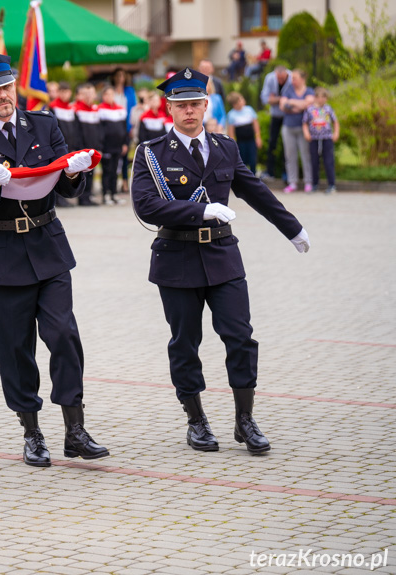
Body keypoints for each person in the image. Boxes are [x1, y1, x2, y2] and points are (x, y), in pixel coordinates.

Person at [131, 67, 311, 455]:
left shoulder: (225, 147)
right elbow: (145, 205)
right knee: (185, 342)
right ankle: (196, 420)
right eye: (181, 105)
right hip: (177, 257)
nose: (189, 111)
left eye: (195, 103)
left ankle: (245, 419)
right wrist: (200, 212)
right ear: (169, 108)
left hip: (222, 255)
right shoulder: (152, 153)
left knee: (241, 337)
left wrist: (292, 228)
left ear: (207, 104)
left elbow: (256, 191)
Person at [0, 53, 109, 467]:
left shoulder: (43, 124)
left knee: (63, 334)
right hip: (2, 254)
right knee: (15, 348)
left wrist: (75, 172)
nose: (4, 96)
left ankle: (74, 429)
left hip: (47, 244)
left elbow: (68, 189)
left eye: (8, 87)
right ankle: (32, 431)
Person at [279, 69, 315, 193]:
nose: (292, 80)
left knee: (306, 155)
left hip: (304, 129)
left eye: (295, 78)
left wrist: (292, 103)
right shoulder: (288, 90)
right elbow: (282, 105)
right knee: (290, 156)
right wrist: (301, 105)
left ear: (302, 79)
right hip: (288, 127)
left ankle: (308, 182)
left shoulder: (309, 90)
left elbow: (309, 104)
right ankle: (292, 182)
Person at [302, 87, 339, 193]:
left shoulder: (328, 109)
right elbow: (304, 122)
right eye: (318, 97)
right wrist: (306, 133)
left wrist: (336, 133)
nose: (321, 99)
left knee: (328, 161)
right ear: (315, 98)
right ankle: (314, 184)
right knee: (314, 161)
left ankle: (332, 185)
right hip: (314, 139)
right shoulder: (310, 109)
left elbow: (335, 121)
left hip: (326, 138)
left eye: (323, 97)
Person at [97, 85, 129, 204]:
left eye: (111, 94)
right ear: (103, 96)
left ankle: (114, 194)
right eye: (107, 94)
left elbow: (124, 128)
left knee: (116, 171)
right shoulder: (100, 110)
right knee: (107, 171)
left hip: (118, 146)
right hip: (106, 146)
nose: (109, 97)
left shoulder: (120, 109)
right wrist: (100, 146)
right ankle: (106, 194)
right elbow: (99, 130)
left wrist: (125, 143)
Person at [259, 65, 291, 179]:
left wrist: (275, 99)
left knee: (287, 144)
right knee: (272, 143)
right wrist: (282, 99)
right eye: (279, 79)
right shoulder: (270, 78)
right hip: (276, 115)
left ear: (287, 74)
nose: (281, 81)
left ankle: (286, 173)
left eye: (283, 79)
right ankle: (270, 172)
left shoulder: (292, 78)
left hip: (288, 116)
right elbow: (264, 98)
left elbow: (293, 99)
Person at [73, 83, 100, 206]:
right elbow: (77, 131)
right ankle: (82, 198)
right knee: (82, 173)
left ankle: (88, 196)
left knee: (91, 172)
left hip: (93, 147)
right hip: (82, 148)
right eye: (86, 94)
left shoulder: (95, 110)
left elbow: (99, 130)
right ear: (82, 95)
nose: (89, 96)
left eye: (91, 93)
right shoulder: (77, 110)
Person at [112, 69, 137, 195]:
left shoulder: (129, 91)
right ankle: (113, 183)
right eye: (118, 76)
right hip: (114, 126)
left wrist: (132, 127)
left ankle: (125, 182)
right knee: (115, 155)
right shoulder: (110, 91)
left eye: (122, 75)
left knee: (125, 155)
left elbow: (133, 108)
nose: (120, 78)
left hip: (126, 127)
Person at [226, 91, 262, 173]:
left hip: (251, 140)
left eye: (242, 99)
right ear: (234, 104)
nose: (242, 101)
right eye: (239, 101)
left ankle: (254, 175)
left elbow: (255, 124)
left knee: (253, 160)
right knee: (243, 160)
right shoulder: (231, 115)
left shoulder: (249, 110)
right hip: (241, 142)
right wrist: (233, 144)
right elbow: (231, 131)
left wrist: (258, 137)